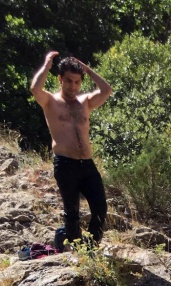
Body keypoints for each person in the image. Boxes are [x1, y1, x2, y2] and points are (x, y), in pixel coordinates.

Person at [30, 52, 112, 247]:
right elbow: (35, 88)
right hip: (65, 163)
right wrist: (47, 64)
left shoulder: (85, 102)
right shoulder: (50, 102)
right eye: (68, 81)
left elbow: (107, 90)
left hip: (87, 164)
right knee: (72, 212)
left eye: (77, 82)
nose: (72, 86)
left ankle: (91, 248)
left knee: (100, 208)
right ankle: (76, 250)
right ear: (60, 79)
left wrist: (88, 70)